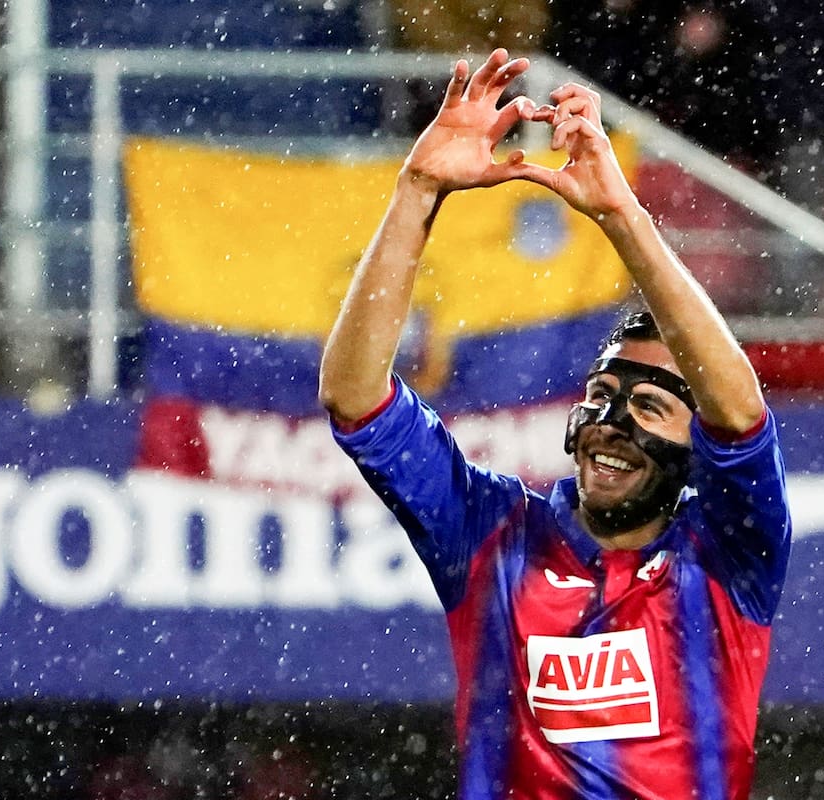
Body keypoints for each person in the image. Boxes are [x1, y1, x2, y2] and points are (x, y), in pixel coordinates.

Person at [319, 49, 791, 799]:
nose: (611, 422)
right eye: (602, 395)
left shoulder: (732, 557)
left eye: (648, 406)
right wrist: (418, 191)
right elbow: (355, 399)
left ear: (692, 451)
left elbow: (739, 416)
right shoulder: (490, 532)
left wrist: (617, 215)